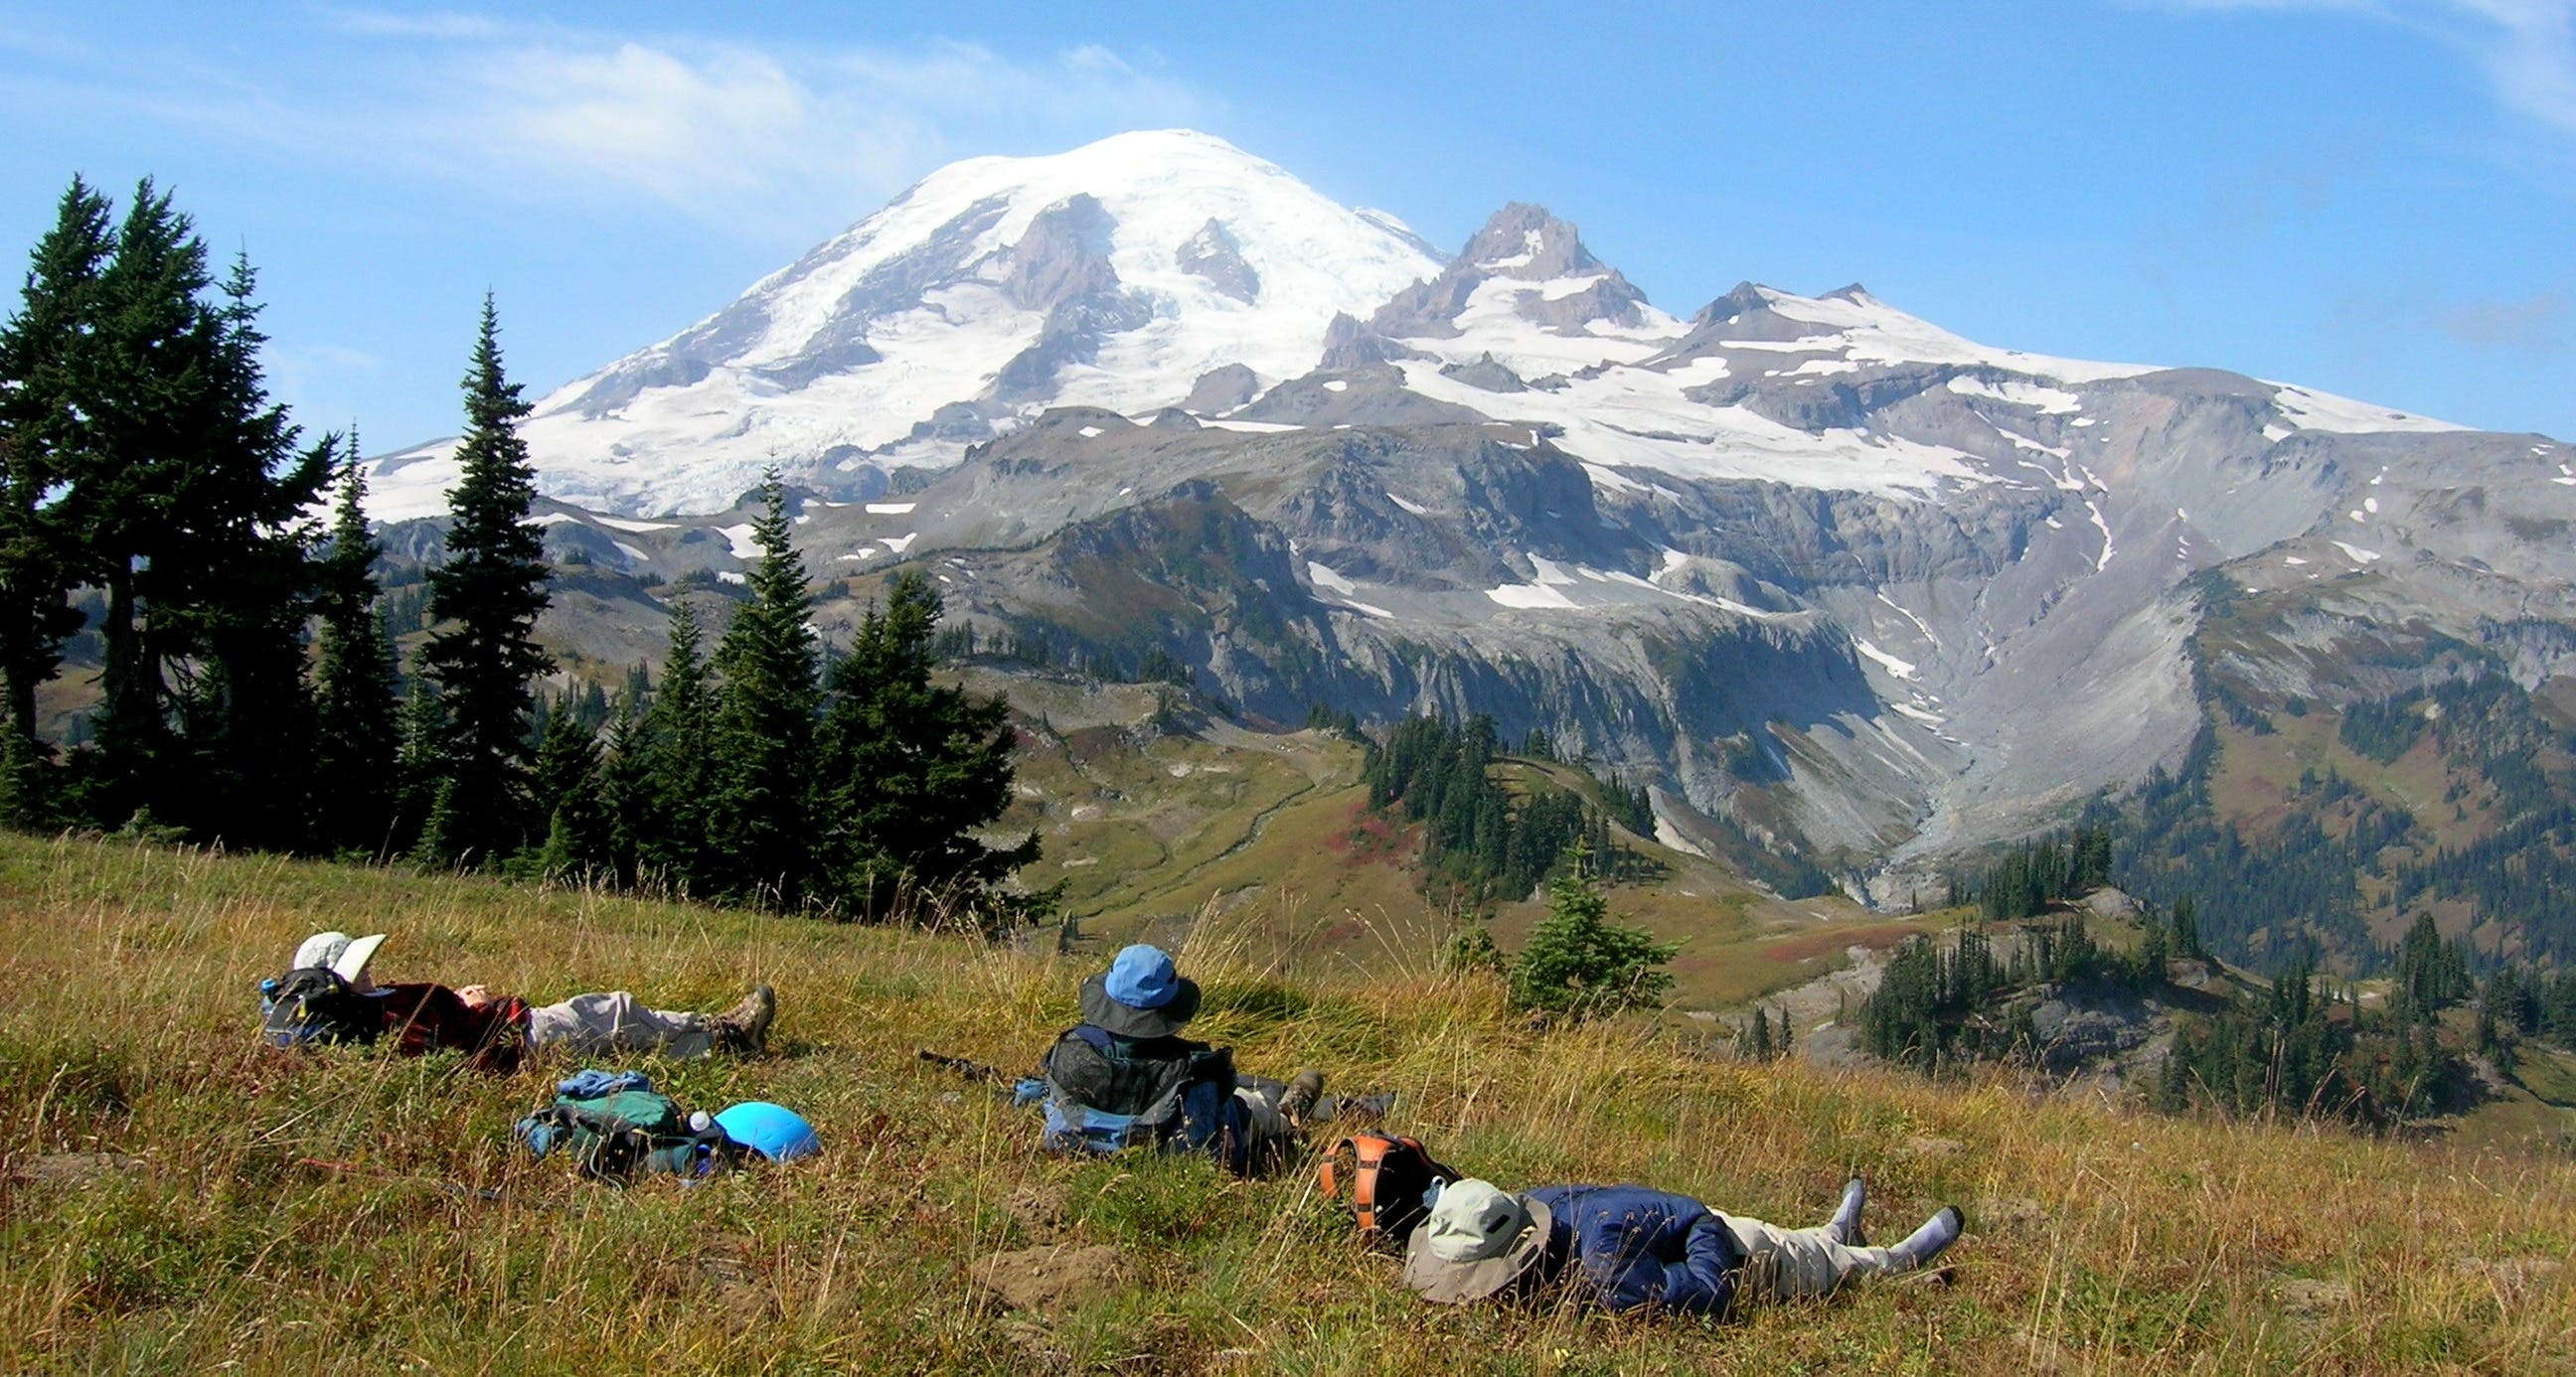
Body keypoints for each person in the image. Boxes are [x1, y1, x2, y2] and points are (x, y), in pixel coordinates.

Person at [1402, 1175, 1963, 1315]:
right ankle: (1837, 1231)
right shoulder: (1532, 1205)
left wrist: (1720, 1266)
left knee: (1814, 1263)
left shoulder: (1605, 1270)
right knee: (1806, 1243)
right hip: (1674, 1223)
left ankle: (1890, 1261)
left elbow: (1707, 1289)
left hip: (1734, 1248)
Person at [267, 930, 775, 1072]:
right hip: (520, 1036)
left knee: (625, 1046)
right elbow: (449, 1052)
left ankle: (721, 1044)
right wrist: (476, 1005)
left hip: (512, 1034)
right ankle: (723, 1028)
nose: (370, 970)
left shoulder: (372, 1009)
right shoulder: (385, 1015)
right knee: (616, 1012)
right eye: (360, 968)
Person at [1031, 943, 1330, 1169]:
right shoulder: (1194, 1068)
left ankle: (1284, 1099)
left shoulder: (1069, 1049)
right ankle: (1290, 1110)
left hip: (1081, 1143)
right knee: (1256, 1106)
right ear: (1168, 1008)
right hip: (1174, 1154)